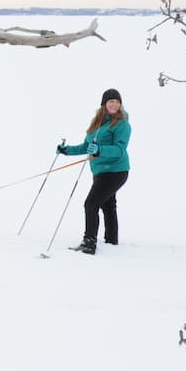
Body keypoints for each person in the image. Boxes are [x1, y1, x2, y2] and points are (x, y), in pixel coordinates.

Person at [57, 88, 131, 255]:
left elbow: (120, 150)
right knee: (108, 205)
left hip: (116, 171)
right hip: (100, 171)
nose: (114, 104)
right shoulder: (97, 123)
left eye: (117, 102)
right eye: (111, 101)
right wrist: (66, 150)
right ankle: (112, 242)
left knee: (91, 203)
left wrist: (99, 150)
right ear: (104, 104)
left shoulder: (122, 124)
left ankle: (89, 243)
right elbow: (86, 147)